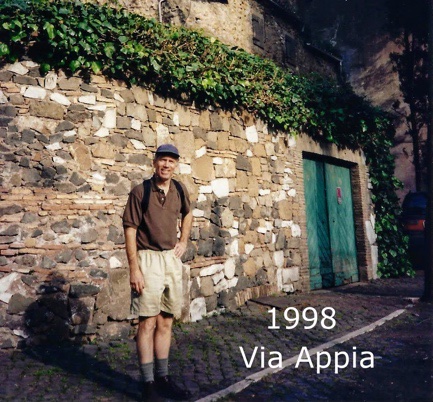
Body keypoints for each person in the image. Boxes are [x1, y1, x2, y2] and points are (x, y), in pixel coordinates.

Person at [123, 144, 193, 401]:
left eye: (171, 161)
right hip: (147, 260)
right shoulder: (140, 191)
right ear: (155, 163)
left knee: (166, 321)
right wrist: (134, 269)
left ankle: (163, 377)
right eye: (162, 160)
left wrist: (183, 240)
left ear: (176, 165)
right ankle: (148, 383)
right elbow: (129, 230)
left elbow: (188, 214)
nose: (166, 165)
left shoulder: (180, 189)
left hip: (170, 261)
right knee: (147, 321)